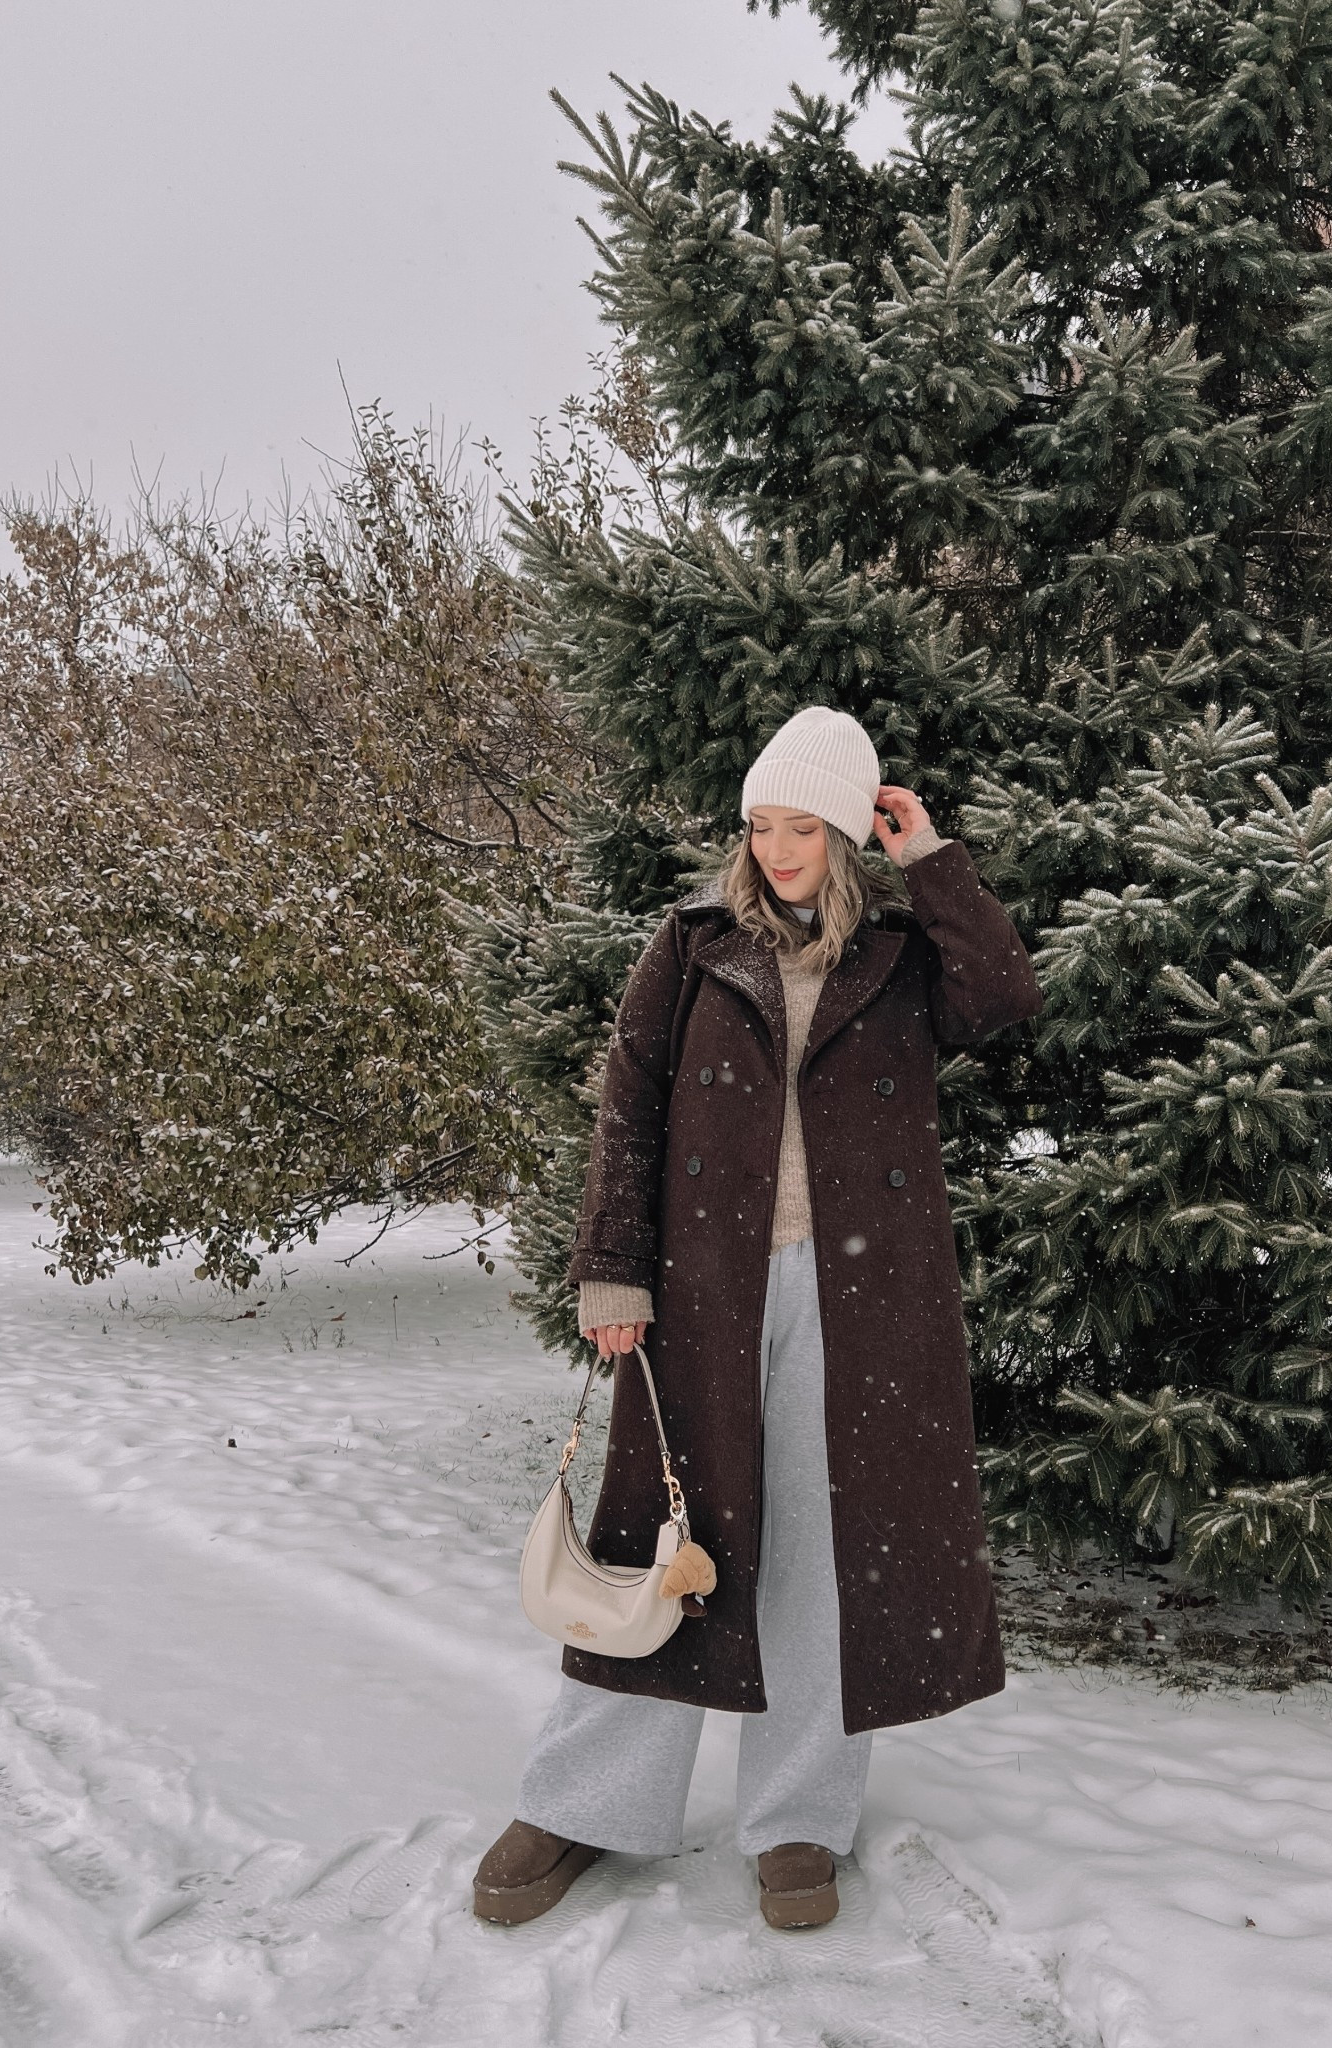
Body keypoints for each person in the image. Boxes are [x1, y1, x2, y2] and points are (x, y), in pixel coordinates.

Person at [473, 706, 1043, 1932]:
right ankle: (585, 1800)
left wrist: (931, 857)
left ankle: (797, 1819)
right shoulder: (690, 945)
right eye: (761, 823)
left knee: (830, 1555)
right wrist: (613, 1268)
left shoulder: (900, 953)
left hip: (862, 1300)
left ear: (844, 832)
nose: (778, 847)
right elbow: (630, 1106)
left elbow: (1004, 993)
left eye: (803, 824)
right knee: (657, 1539)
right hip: (705, 1293)